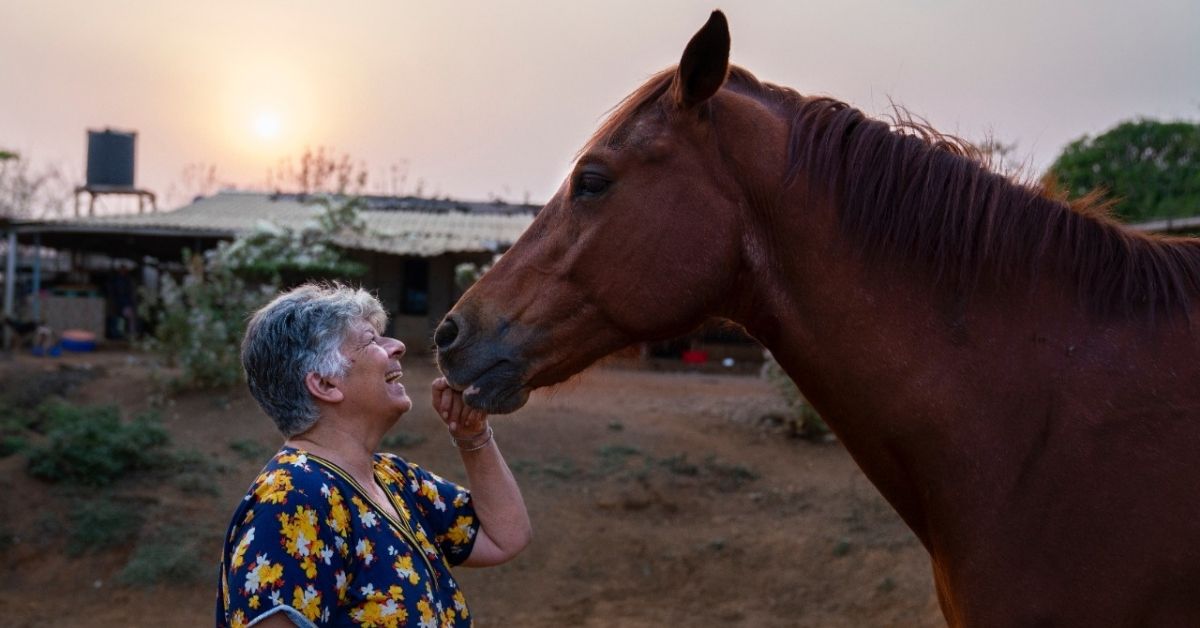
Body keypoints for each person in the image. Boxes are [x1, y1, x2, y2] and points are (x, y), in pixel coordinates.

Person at [217, 283, 532, 627]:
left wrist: (473, 436)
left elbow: (504, 537)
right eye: (372, 340)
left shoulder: (394, 478)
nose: (398, 346)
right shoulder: (292, 498)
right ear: (325, 385)